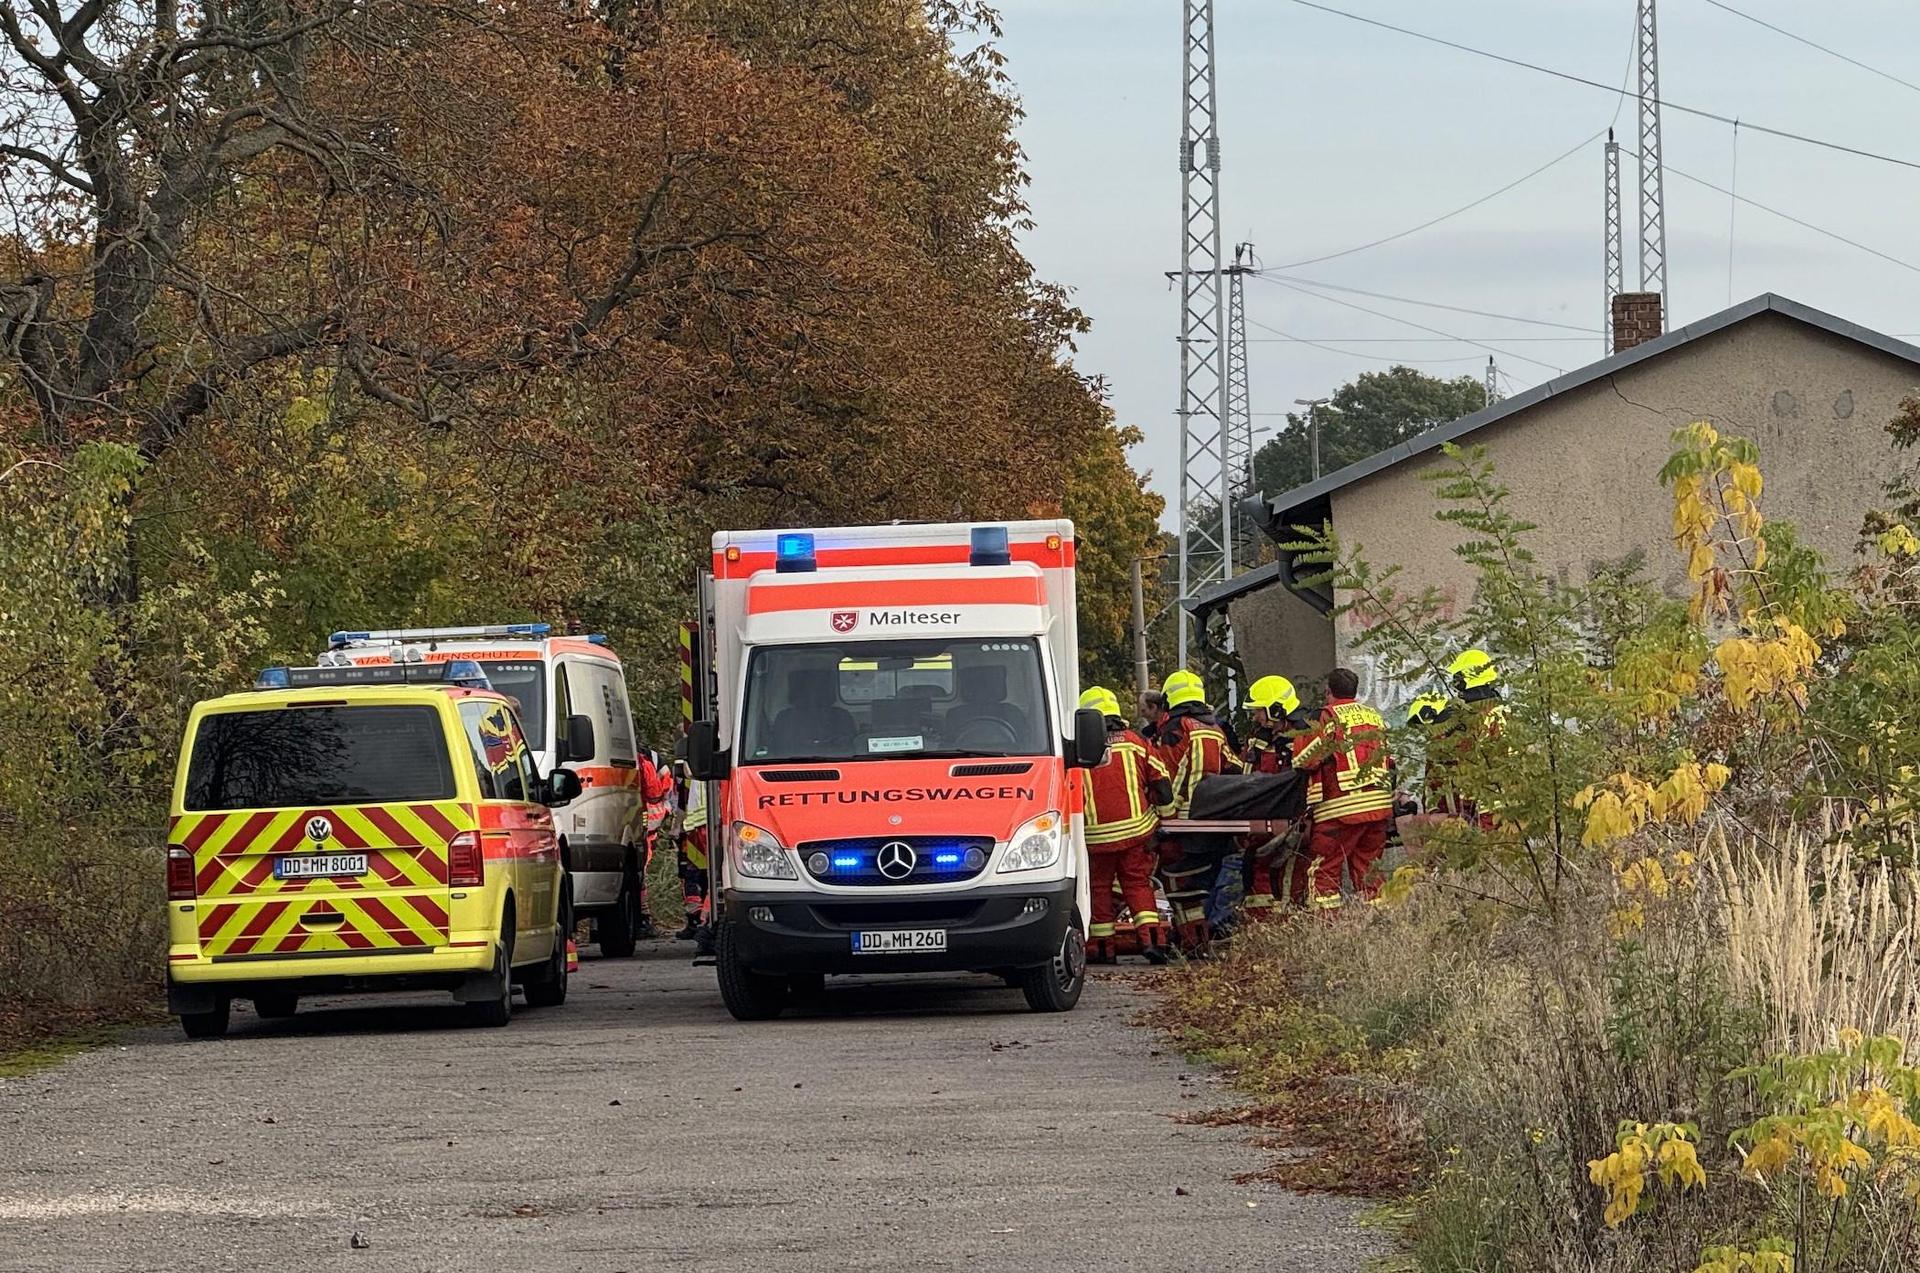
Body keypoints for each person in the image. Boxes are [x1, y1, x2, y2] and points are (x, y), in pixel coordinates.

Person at [1077, 686, 1174, 965]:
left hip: (1094, 839)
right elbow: (1162, 783)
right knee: (1137, 885)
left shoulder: (1079, 749)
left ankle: (1101, 948)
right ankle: (1153, 941)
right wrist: (1165, 818)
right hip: (1136, 833)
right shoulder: (1135, 742)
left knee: (1098, 888)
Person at [1153, 668, 1243, 952]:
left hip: (1180, 822)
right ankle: (1197, 939)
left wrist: (1161, 815)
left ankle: (1191, 941)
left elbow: (1163, 775)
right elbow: (1235, 768)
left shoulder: (1176, 730)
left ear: (1170, 699)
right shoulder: (1214, 729)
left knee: (1180, 885)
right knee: (1202, 881)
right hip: (1213, 821)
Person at [1291, 667, 1394, 908]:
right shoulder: (1375, 717)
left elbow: (1304, 760)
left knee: (1323, 870)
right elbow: (1390, 760)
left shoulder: (1328, 717)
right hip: (1379, 808)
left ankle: (1328, 929)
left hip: (1340, 811)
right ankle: (1380, 923)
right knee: (1370, 871)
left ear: (1328, 692)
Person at [1239, 675, 1312, 922]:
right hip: (1265, 819)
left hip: (1295, 820)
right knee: (1254, 867)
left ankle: (1288, 929)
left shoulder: (1303, 736)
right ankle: (1261, 926)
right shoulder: (1260, 738)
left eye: (1258, 711)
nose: (1255, 717)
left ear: (1276, 709)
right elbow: (1247, 779)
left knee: (1289, 876)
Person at [673, 759, 710, 941]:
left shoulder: (692, 768)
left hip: (699, 828)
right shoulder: (686, 772)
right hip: (695, 828)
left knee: (698, 877)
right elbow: (681, 802)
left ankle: (701, 921)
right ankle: (698, 920)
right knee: (694, 877)